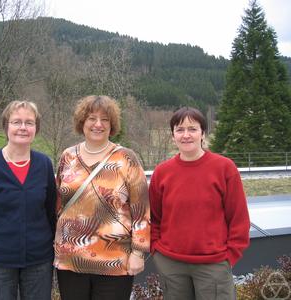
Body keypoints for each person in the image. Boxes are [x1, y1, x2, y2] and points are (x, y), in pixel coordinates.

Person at [54, 95, 150, 300]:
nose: (98, 124)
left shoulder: (126, 158)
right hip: (71, 259)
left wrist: (139, 252)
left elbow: (141, 210)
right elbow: (58, 204)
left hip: (114, 261)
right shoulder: (68, 156)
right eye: (91, 118)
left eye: (105, 119)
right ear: (82, 122)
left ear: (112, 124)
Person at [149, 106, 250, 300]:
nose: (186, 135)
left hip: (213, 264)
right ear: (173, 136)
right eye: (180, 130)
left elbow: (238, 217)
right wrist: (156, 250)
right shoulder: (162, 173)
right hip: (171, 264)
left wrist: (231, 255)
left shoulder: (224, 168)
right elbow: (154, 218)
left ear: (203, 133)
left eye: (192, 129)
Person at [0, 100, 57, 300]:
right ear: (6, 127)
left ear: (36, 128)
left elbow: (50, 211)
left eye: (29, 123)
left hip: (38, 261)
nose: (23, 127)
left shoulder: (44, 164)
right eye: (16, 122)